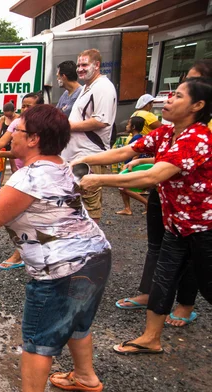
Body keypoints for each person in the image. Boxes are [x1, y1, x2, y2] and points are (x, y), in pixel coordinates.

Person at [0, 105, 111, 392]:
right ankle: (85, 376)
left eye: (17, 130)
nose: (10, 134)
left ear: (34, 139)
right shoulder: (58, 166)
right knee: (77, 318)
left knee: (38, 341)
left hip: (60, 268)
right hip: (96, 257)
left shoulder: (29, 176)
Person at [75, 77, 212, 355]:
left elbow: (154, 175)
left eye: (178, 96)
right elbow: (125, 151)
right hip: (176, 224)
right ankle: (151, 338)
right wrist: (79, 161)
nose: (169, 99)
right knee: (163, 278)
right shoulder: (165, 133)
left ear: (197, 105)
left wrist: (100, 180)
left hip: (203, 228)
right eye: (171, 94)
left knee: (208, 285)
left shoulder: (197, 138)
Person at [0, 93, 44, 269]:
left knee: (30, 215)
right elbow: (4, 141)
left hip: (36, 174)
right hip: (20, 172)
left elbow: (19, 151)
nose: (25, 110)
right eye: (23, 106)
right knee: (19, 215)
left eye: (29, 106)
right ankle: (22, 252)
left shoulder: (42, 127)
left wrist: (1, 153)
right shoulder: (18, 123)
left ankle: (22, 254)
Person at [62, 49, 117, 224]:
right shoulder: (88, 87)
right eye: (78, 65)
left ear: (97, 65)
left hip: (91, 155)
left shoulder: (103, 87)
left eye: (84, 65)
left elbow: (102, 121)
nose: (80, 69)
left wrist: (68, 126)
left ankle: (93, 247)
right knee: (75, 202)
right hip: (78, 155)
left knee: (90, 202)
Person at [114, 116, 149, 216]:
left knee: (124, 188)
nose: (126, 126)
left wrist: (129, 167)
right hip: (130, 165)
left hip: (131, 167)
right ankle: (127, 208)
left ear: (133, 127)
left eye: (128, 124)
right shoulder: (137, 137)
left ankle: (147, 204)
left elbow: (136, 154)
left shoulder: (137, 138)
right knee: (123, 189)